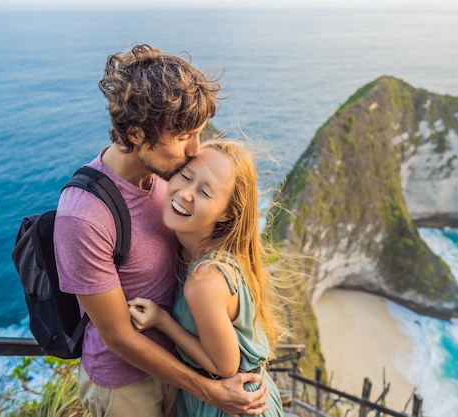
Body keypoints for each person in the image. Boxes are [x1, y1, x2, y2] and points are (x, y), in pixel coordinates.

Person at [53, 44, 269, 417]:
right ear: (136, 135)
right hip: (127, 387)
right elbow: (119, 337)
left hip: (181, 368)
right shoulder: (85, 216)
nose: (194, 151)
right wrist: (213, 391)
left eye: (198, 134)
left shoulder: (166, 178)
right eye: (185, 137)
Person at [128, 138, 285, 417]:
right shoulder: (210, 252)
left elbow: (224, 366)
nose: (185, 193)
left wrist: (161, 321)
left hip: (229, 403)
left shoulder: (205, 280)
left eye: (205, 192)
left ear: (227, 213)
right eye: (186, 176)